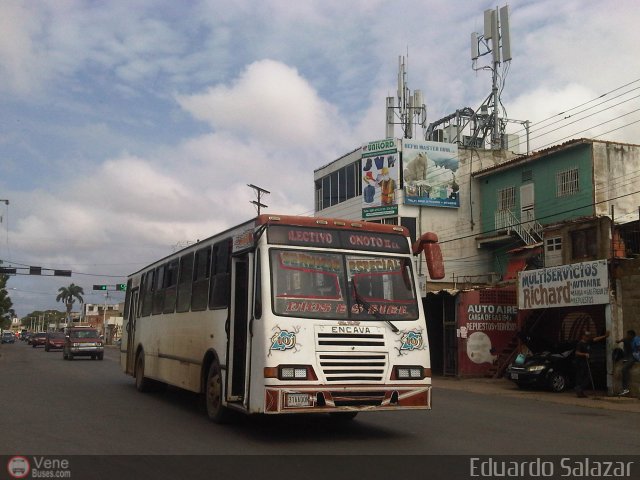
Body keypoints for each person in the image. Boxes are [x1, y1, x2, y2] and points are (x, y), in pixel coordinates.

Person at [574, 330, 609, 398]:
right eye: (586, 336)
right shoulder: (580, 343)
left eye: (588, 336)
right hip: (581, 363)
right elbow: (577, 352)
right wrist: (584, 354)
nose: (587, 337)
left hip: (586, 362)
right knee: (583, 377)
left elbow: (595, 339)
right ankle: (579, 389)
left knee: (588, 377)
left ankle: (580, 389)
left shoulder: (588, 342)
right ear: (583, 336)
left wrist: (605, 336)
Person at [616, 330, 638, 396]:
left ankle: (625, 389)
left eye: (628, 335)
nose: (627, 336)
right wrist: (619, 341)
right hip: (629, 357)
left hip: (634, 357)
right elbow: (623, 339)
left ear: (632, 335)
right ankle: (625, 389)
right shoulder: (627, 339)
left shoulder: (636, 339)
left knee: (624, 369)